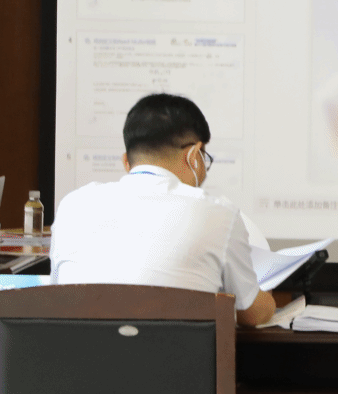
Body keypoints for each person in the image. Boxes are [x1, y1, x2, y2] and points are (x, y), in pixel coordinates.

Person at [48, 93, 276, 327]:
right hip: (178, 352)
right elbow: (252, 315)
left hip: (81, 350)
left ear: (127, 161)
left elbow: (57, 295)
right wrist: (266, 296)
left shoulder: (71, 206)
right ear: (193, 155)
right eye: (204, 158)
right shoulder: (220, 214)